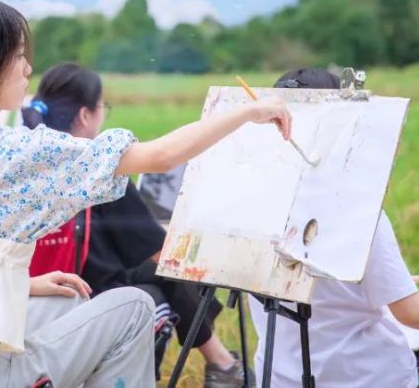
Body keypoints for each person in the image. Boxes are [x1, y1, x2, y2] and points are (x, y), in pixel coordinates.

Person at [0, 0, 291, 387]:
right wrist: (247, 112)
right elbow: (161, 156)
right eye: (21, 56)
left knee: (67, 301)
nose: (28, 69)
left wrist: (25, 283)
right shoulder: (14, 149)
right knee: (134, 307)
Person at [249, 67, 419, 388]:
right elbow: (411, 313)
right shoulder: (355, 208)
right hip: (361, 377)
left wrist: (385, 284)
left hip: (278, 377)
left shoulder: (249, 205)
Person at [21, 62, 251, 388]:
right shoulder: (96, 164)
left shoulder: (30, 156)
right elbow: (158, 251)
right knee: (162, 274)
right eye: (102, 107)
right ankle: (223, 365)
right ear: (86, 115)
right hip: (90, 289)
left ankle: (221, 364)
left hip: (40, 282)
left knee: (155, 271)